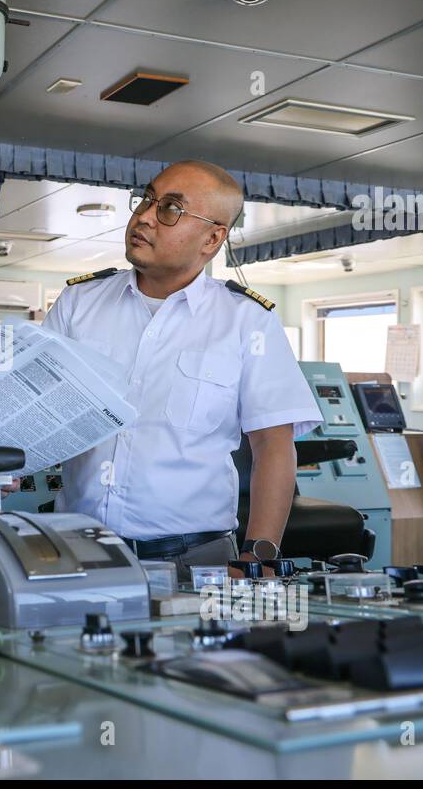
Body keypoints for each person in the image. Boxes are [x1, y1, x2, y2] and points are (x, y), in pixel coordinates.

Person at [42, 160, 322, 580]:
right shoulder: (79, 302)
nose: (146, 216)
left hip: (194, 559)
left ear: (212, 238)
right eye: (148, 199)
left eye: (171, 208)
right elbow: (38, 407)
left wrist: (258, 556)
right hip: (78, 552)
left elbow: (274, 448)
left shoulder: (246, 321)